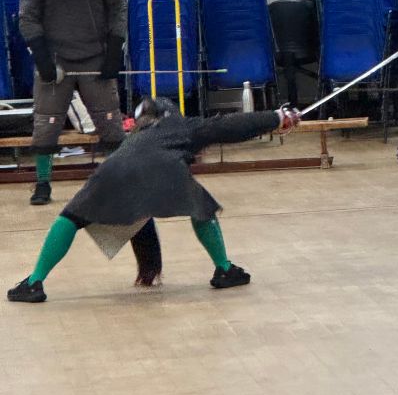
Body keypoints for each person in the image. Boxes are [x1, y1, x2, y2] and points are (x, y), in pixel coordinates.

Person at [7, 98, 300, 303]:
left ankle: (33, 282)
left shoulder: (131, 141)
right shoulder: (182, 126)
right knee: (201, 208)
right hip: (163, 169)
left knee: (69, 218)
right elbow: (230, 125)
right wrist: (277, 117)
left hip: (111, 170)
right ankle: (224, 269)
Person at [18, 0, 128, 206]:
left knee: (110, 123)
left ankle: (119, 181)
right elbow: (27, 16)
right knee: (46, 124)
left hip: (96, 58)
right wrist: (42, 58)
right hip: (55, 63)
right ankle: (42, 184)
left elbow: (118, 9)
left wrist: (114, 51)